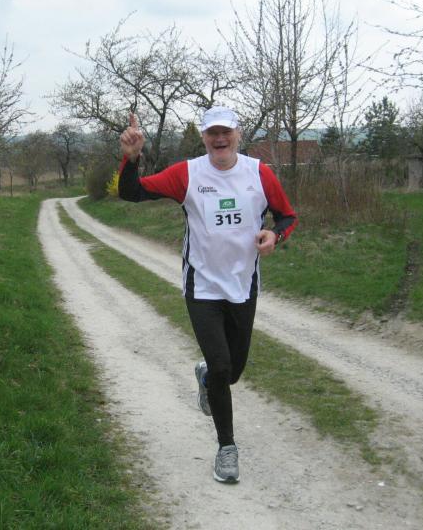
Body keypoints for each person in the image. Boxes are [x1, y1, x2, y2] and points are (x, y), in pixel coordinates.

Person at [118, 105, 297, 484]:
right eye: (212, 133)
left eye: (225, 132)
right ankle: (226, 448)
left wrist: (275, 235)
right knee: (220, 366)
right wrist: (131, 158)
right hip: (202, 286)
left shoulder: (259, 173)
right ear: (203, 137)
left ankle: (206, 378)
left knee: (233, 371)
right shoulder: (187, 174)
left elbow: (287, 216)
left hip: (243, 284)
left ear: (238, 134)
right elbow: (131, 192)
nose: (219, 139)